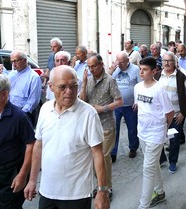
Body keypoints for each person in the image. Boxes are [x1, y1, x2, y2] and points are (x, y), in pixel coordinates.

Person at [24, 65, 110, 209]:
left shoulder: (89, 114)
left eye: (73, 86)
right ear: (50, 87)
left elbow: (98, 154)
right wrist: (32, 180)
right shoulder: (45, 109)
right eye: (62, 87)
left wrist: (102, 191)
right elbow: (39, 145)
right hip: (47, 192)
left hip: (77, 195)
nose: (69, 92)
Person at [80, 53, 123, 200]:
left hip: (106, 125)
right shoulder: (88, 80)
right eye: (89, 67)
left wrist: (103, 108)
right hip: (90, 126)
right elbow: (82, 101)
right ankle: (98, 186)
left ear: (101, 65)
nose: (91, 69)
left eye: (94, 66)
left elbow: (119, 102)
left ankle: (107, 188)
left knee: (104, 158)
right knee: (92, 158)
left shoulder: (110, 81)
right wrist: (84, 83)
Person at [134, 57, 174, 209]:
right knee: (153, 164)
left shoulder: (159, 89)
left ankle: (143, 205)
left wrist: (162, 128)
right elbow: (140, 106)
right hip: (142, 133)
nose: (141, 72)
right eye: (140, 69)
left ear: (154, 71)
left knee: (148, 169)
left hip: (155, 135)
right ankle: (160, 192)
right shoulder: (137, 87)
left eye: (145, 69)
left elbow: (170, 113)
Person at [0, 74, 35, 209]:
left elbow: (31, 145)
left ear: (4, 94)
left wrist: (23, 174)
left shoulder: (19, 117)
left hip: (11, 175)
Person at [158, 52, 186, 173]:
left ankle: (172, 161)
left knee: (174, 139)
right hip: (160, 116)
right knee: (159, 138)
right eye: (165, 60)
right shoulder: (157, 76)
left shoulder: (181, 77)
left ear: (174, 63)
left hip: (176, 116)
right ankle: (161, 159)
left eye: (169, 61)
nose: (167, 63)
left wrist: (183, 112)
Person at [111, 51, 140, 162]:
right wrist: (113, 68)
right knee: (115, 129)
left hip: (130, 106)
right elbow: (108, 81)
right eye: (118, 62)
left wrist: (137, 101)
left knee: (132, 129)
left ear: (128, 60)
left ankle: (133, 148)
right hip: (116, 105)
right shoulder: (115, 69)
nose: (120, 64)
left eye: (122, 62)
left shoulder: (135, 69)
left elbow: (140, 85)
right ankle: (113, 152)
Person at [8, 50, 42, 126]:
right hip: (10, 111)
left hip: (24, 114)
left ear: (25, 60)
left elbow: (33, 101)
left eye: (16, 61)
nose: (13, 64)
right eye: (12, 62)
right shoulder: (11, 75)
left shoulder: (33, 77)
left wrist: (20, 114)